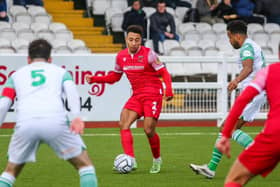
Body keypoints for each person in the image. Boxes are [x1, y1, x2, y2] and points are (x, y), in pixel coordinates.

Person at [0, 39, 97, 187]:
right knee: (85, 166)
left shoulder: (15, 76)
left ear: (28, 59)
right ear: (50, 59)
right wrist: (76, 117)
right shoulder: (61, 72)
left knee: (10, 171)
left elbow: (4, 104)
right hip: (55, 121)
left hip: (26, 123)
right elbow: (71, 93)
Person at [86, 25, 174, 174]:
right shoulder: (121, 57)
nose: (134, 43)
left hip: (153, 93)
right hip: (137, 95)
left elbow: (164, 73)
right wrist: (95, 79)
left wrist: (169, 90)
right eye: (131, 39)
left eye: (137, 40)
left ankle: (157, 159)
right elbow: (115, 77)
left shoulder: (149, 54)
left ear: (141, 41)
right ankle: (130, 160)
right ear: (126, 39)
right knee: (123, 123)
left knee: (148, 129)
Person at [189, 20, 266, 179]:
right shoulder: (251, 45)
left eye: (229, 37)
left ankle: (259, 155)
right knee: (229, 129)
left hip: (252, 93)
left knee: (227, 127)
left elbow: (248, 67)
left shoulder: (246, 47)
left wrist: (236, 81)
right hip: (256, 92)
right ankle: (211, 168)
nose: (229, 41)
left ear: (236, 35)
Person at [216, 44, 280, 187]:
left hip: (275, 135)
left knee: (234, 180)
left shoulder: (268, 72)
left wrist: (226, 134)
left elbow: (243, 100)